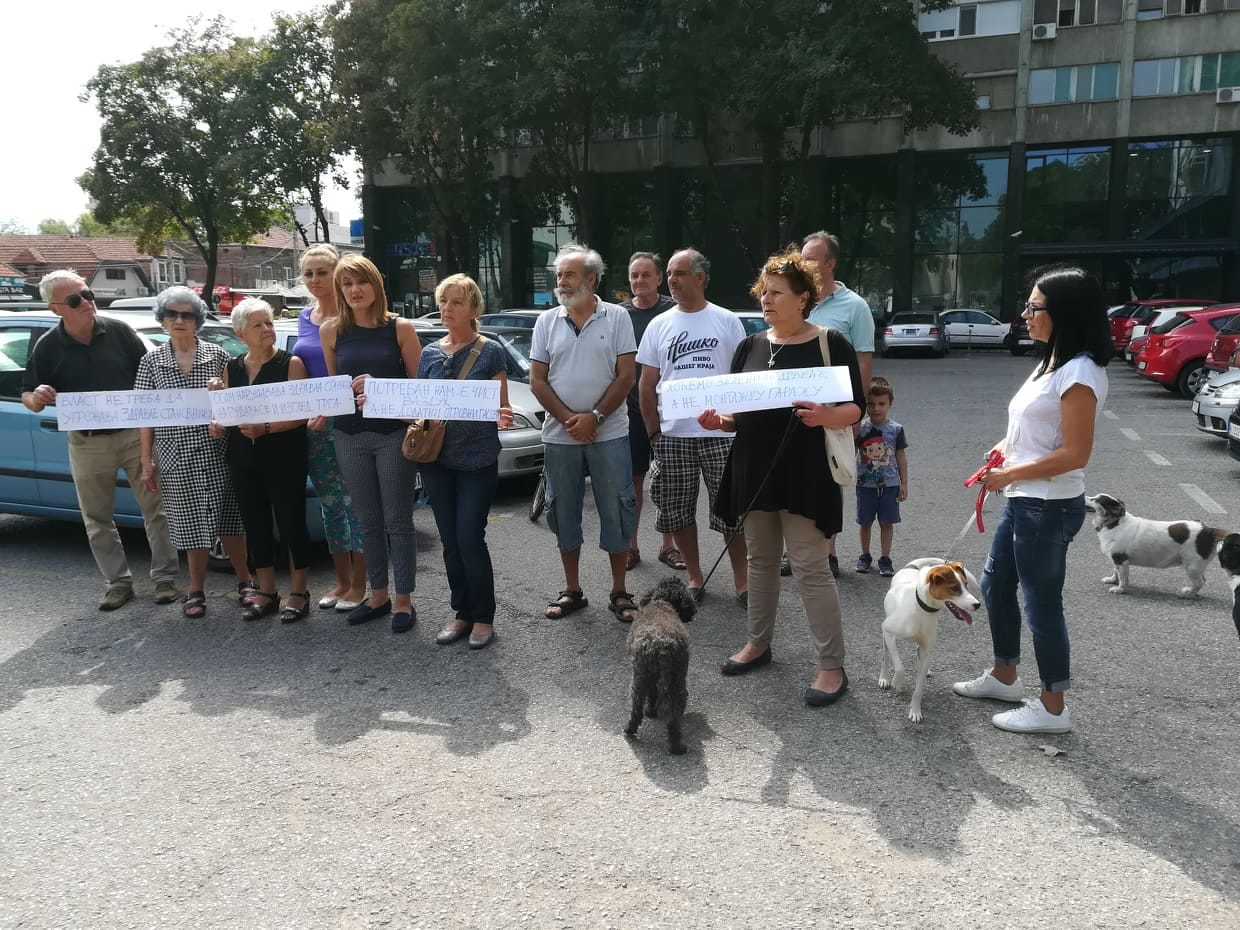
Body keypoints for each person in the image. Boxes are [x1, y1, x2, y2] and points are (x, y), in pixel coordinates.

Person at [699, 249, 865, 706]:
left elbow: (857, 409)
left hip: (806, 474)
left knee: (811, 569)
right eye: (763, 293)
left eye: (776, 293)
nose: (766, 301)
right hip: (754, 469)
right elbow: (737, 412)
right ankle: (758, 643)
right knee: (759, 561)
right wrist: (722, 422)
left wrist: (828, 416)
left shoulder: (831, 343)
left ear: (803, 298)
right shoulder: (750, 346)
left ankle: (831, 667)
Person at [953, 267, 1111, 734]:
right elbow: (1038, 431)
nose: (1025, 315)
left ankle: (1053, 707)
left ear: (1064, 313)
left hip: (1046, 505)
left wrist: (1010, 472)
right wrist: (1005, 450)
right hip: (1026, 497)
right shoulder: (1052, 362)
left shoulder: (1080, 370)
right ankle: (1005, 676)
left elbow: (1075, 452)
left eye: (1035, 307)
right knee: (996, 585)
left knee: (1041, 604)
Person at [21, 270, 180, 611]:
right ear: (55, 308)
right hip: (87, 442)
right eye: (77, 299)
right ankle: (117, 583)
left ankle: (165, 579)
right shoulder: (47, 345)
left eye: (88, 293)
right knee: (96, 516)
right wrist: (37, 396)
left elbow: (150, 378)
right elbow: (28, 396)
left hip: (135, 435)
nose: (88, 302)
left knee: (157, 509)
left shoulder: (120, 332)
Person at [530, 244, 639, 623]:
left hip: (609, 433)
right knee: (562, 509)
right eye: (559, 275)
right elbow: (537, 380)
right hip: (560, 436)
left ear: (591, 279)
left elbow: (627, 376)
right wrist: (567, 419)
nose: (561, 282)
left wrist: (595, 416)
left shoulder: (617, 318)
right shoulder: (546, 322)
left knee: (617, 508)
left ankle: (619, 591)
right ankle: (572, 590)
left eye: (570, 275)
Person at [637, 249, 747, 604]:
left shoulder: (727, 321)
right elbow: (646, 383)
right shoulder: (659, 325)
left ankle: (743, 584)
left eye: (679, 273)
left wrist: (737, 426)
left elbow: (741, 378)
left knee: (733, 511)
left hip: (720, 434)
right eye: (669, 273)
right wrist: (654, 432)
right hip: (673, 435)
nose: (672, 279)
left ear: (700, 277)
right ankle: (696, 577)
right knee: (679, 510)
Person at [321, 255, 424, 633]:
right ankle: (377, 594)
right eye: (346, 284)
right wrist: (321, 409)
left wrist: (380, 389)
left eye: (360, 281)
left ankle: (404, 600)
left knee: (398, 520)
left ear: (375, 285)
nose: (354, 290)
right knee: (366, 520)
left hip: (392, 435)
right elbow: (335, 390)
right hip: (348, 434)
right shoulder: (331, 331)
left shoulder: (400, 328)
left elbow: (419, 390)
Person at [136, 287, 252, 618]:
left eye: (187, 315)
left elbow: (233, 403)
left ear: (198, 320)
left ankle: (245, 581)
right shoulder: (151, 361)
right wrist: (147, 460)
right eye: (172, 314)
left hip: (217, 452)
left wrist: (222, 412)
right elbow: (146, 414)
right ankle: (196, 588)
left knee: (231, 521)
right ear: (162, 319)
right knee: (189, 526)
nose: (179, 320)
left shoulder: (217, 356)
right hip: (175, 455)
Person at [419, 274, 514, 650]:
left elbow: (501, 406)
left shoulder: (490, 350)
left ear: (474, 308)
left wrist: (502, 415)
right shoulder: (429, 353)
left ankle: (483, 617)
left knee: (469, 537)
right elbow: (418, 404)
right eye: (443, 301)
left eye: (456, 302)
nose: (446, 309)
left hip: (476, 459)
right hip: (436, 459)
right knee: (449, 541)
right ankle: (461, 613)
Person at [209, 298, 313, 623]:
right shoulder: (233, 367)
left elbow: (302, 414)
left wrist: (265, 427)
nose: (268, 329)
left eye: (269, 322)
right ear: (241, 334)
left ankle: (299, 592)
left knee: (291, 522)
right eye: (259, 324)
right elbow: (224, 416)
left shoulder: (290, 364)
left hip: (285, 457)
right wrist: (217, 424)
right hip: (243, 459)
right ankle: (266, 590)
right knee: (255, 525)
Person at [292, 244, 368, 612]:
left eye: (323, 271)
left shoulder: (354, 313)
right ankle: (340, 582)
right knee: (331, 503)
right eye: (308, 273)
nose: (315, 279)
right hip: (316, 423)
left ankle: (362, 583)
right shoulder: (305, 318)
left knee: (359, 501)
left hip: (355, 418)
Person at [800, 231, 877, 579]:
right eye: (803, 258)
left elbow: (863, 362)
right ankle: (798, 551)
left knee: (830, 476)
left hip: (834, 409)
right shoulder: (796, 300)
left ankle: (827, 552)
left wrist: (855, 409)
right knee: (796, 476)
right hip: (795, 406)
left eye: (812, 259)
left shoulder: (854, 307)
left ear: (830, 263)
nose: (805, 264)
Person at [618, 251, 681, 574]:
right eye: (634, 275)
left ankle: (668, 546)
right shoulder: (618, 315)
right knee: (632, 483)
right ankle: (630, 546)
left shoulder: (674, 311)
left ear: (659, 278)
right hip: (629, 414)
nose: (639, 281)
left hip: (669, 411)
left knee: (669, 481)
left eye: (646, 274)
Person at [854, 377, 908, 578]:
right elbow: (851, 450)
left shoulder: (896, 429)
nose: (876, 408)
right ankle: (865, 555)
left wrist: (904, 483)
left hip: (890, 484)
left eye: (882, 404)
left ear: (890, 404)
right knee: (864, 522)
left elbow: (901, 457)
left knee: (887, 522)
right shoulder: (860, 429)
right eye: (871, 404)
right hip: (865, 484)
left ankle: (885, 558)